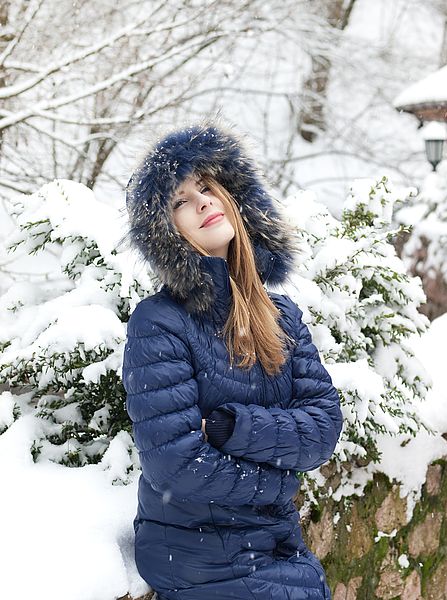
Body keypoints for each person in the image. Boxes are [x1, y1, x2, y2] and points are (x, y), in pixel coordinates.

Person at [122, 118, 344, 600]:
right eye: (180, 200)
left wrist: (229, 428)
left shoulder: (280, 315)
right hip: (196, 553)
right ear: (167, 234)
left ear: (235, 201)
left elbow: (323, 426)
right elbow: (176, 466)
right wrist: (282, 481)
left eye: (206, 187)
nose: (201, 201)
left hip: (275, 544)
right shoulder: (158, 322)